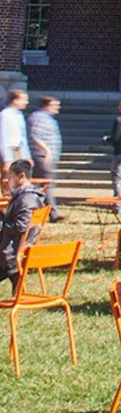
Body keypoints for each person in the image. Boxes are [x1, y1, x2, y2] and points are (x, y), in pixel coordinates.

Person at [0, 160, 45, 288]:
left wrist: (2, 224)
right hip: (15, 247)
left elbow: (21, 226)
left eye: (10, 176)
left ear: (21, 176)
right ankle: (17, 285)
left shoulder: (27, 199)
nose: (8, 180)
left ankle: (15, 279)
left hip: (13, 251)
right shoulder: (28, 195)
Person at [27, 95, 63, 219]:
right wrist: (46, 151)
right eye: (54, 105)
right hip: (42, 156)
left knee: (44, 185)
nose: (57, 108)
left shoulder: (48, 118)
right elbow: (35, 136)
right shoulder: (38, 118)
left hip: (48, 156)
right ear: (46, 105)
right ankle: (52, 213)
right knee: (46, 185)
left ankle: (41, 211)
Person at [0, 89, 30, 194]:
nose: (26, 102)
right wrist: (7, 158)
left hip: (18, 150)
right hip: (9, 149)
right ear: (15, 100)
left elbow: (22, 137)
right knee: (8, 178)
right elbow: (3, 137)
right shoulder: (5, 115)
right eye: (23, 100)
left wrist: (27, 156)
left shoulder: (19, 115)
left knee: (19, 177)